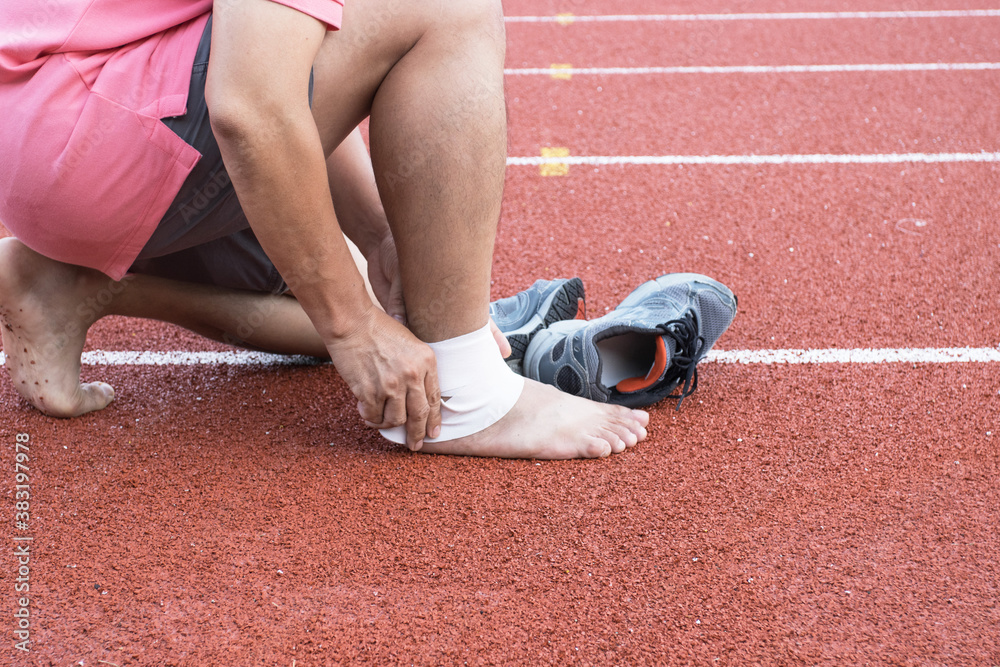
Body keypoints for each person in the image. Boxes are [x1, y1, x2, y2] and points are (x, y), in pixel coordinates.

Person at [0, 0, 649, 459]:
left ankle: (66, 285)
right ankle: (467, 396)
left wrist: (382, 244)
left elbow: (284, 52)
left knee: (372, 299)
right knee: (451, 7)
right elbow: (253, 106)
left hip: (47, 133)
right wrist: (354, 329)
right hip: (94, 133)